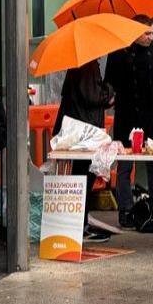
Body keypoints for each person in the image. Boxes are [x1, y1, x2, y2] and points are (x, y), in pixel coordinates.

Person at [104, 16, 153, 230]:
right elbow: (110, 83)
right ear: (135, 32)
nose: (151, 37)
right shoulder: (120, 54)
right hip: (127, 117)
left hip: (151, 118)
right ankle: (125, 210)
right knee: (124, 165)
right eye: (147, 33)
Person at [54, 59, 115, 243]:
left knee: (81, 177)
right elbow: (92, 96)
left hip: (79, 130)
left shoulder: (79, 65)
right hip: (84, 132)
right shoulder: (88, 66)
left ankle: (79, 224)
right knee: (83, 178)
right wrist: (109, 89)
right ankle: (79, 226)